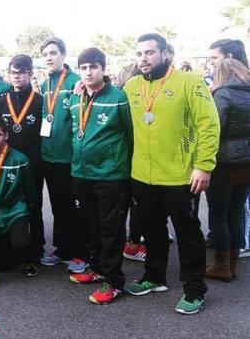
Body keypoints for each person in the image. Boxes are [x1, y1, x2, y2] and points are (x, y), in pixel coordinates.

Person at [124, 33, 220, 315]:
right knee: (152, 232)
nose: (144, 58)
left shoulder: (189, 82)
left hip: (181, 176)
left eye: (150, 52)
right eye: (140, 53)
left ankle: (194, 290)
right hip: (142, 176)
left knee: (188, 235)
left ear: (165, 54)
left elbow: (209, 123)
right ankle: (154, 277)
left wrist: (203, 164)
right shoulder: (131, 86)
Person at [66, 48, 133, 304]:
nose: (88, 72)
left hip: (111, 176)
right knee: (89, 225)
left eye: (93, 66)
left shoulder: (118, 97)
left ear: (103, 68)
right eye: (83, 67)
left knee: (111, 229)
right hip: (81, 173)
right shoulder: (76, 97)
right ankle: (96, 269)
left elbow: (129, 135)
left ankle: (114, 281)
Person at [37, 37, 85, 274]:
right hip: (49, 155)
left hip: (69, 157)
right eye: (45, 54)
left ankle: (79, 253)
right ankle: (62, 249)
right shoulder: (45, 84)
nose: (49, 57)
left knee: (72, 207)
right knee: (58, 206)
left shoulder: (76, 81)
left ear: (64, 55)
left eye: (53, 52)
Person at [0, 117, 39, 292]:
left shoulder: (21, 160)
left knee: (21, 243)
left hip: (14, 212)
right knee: (1, 266)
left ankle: (27, 257)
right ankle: (0, 249)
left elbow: (30, 192)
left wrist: (27, 213)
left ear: (6, 136)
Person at [0, 54, 45, 268]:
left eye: (21, 72)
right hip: (6, 162)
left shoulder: (39, 101)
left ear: (30, 74)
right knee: (7, 200)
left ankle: (37, 246)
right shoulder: (2, 100)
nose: (17, 77)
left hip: (33, 162)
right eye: (13, 72)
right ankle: (8, 242)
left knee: (33, 203)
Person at [204, 59, 250, 282]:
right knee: (236, 213)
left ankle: (222, 265)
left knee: (218, 215)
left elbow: (215, 127)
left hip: (223, 162)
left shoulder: (223, 94)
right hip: (246, 162)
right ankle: (232, 264)